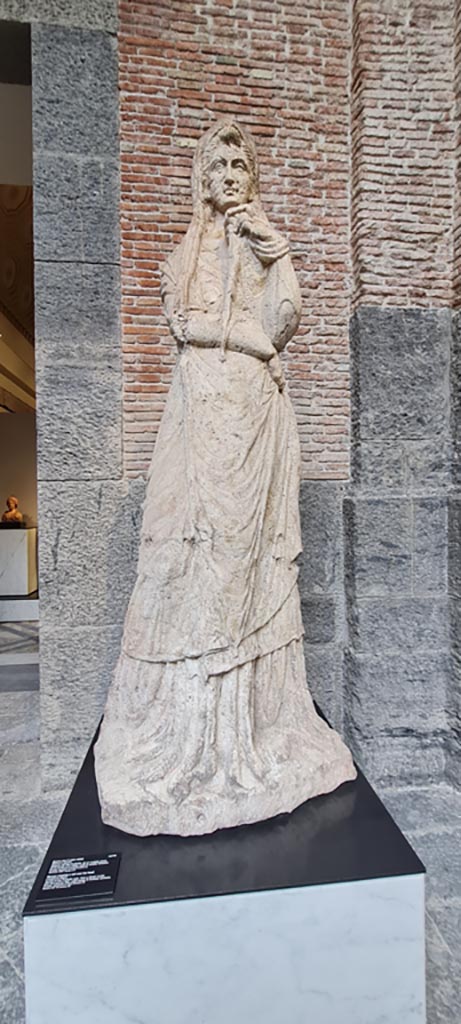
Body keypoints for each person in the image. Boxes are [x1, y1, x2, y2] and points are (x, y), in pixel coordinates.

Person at [94, 119, 356, 837]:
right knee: (195, 558)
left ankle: (253, 732)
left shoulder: (261, 240)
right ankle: (190, 732)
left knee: (245, 558)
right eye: (221, 161)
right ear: (202, 174)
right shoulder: (186, 250)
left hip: (252, 408)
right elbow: (184, 324)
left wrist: (276, 252)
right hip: (200, 410)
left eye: (242, 161)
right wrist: (239, 336)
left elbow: (284, 320)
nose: (232, 172)